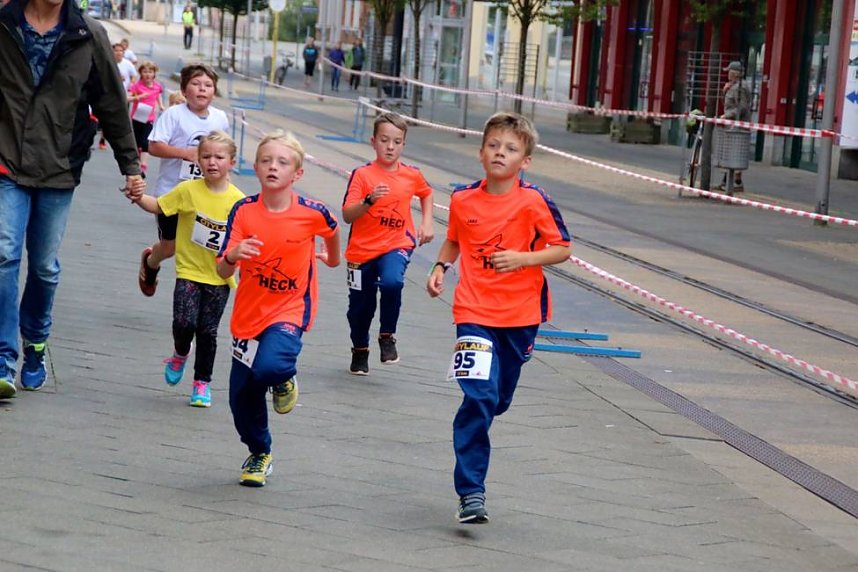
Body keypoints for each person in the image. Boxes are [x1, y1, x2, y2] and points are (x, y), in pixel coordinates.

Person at [426, 112, 571, 524]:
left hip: (521, 315)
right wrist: (440, 267)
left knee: (498, 400)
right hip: (472, 310)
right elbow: (455, 239)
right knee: (478, 398)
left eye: (510, 149)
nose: (499, 154)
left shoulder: (534, 201)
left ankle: (485, 415)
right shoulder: (462, 199)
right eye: (493, 146)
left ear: (525, 161)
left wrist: (522, 258)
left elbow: (562, 249)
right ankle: (471, 492)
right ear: (480, 152)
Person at [0, 0, 144, 399]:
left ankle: (36, 344)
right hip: (6, 161)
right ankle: (2, 356)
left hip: (59, 166)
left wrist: (130, 165)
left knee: (44, 266)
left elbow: (112, 104)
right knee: (5, 254)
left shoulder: (88, 34)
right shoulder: (5, 23)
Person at [216, 131, 341, 487]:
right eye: (267, 160)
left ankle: (284, 376)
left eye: (282, 162)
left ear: (297, 174)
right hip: (248, 316)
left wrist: (332, 260)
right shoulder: (242, 210)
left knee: (271, 365)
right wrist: (232, 257)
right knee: (241, 400)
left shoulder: (311, 213)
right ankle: (259, 452)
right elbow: (221, 269)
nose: (273, 167)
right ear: (255, 167)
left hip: (290, 309)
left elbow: (332, 231)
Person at [127, 131, 244, 407]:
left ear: (232, 161)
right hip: (189, 271)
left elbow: (249, 235)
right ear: (198, 160)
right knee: (184, 323)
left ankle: (202, 382)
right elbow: (158, 205)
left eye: (219, 157)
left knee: (208, 331)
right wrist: (137, 196)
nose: (212, 162)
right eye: (206, 156)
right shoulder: (188, 190)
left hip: (219, 276)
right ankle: (180, 352)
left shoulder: (239, 202)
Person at [341, 113, 434, 375]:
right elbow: (348, 215)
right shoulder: (362, 175)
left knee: (393, 281)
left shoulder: (412, 175)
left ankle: (387, 335)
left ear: (403, 145)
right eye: (384, 140)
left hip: (397, 243)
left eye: (396, 141)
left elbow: (426, 193)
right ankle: (360, 349)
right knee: (360, 308)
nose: (390, 147)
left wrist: (427, 223)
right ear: (373, 142)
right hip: (361, 251)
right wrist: (368, 201)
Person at [139, 63, 229, 298]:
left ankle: (193, 293)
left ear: (214, 91)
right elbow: (154, 146)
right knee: (170, 247)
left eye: (208, 85)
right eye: (196, 84)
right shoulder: (174, 115)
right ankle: (151, 262)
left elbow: (225, 152)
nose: (202, 89)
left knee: (199, 246)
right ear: (184, 89)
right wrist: (186, 153)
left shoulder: (220, 118)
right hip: (172, 192)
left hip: (205, 195)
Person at [718, 60, 751, 193]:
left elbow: (741, 107)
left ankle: (734, 182)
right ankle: (730, 182)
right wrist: (724, 91)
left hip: (738, 124)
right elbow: (726, 104)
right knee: (730, 152)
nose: (727, 74)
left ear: (734, 74)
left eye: (729, 72)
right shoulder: (732, 87)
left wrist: (728, 116)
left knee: (735, 152)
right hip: (732, 123)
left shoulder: (740, 88)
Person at [98, 41, 137, 150]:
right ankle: (103, 139)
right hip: (109, 95)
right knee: (107, 118)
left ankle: (122, 143)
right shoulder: (107, 63)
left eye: (121, 51)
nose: (118, 53)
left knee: (123, 118)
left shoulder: (127, 64)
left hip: (123, 95)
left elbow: (134, 76)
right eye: (116, 50)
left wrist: (131, 86)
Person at [128, 60, 165, 175]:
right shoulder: (136, 86)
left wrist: (161, 105)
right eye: (145, 71)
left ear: (154, 73)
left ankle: (143, 165)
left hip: (149, 118)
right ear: (141, 73)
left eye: (150, 72)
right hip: (137, 117)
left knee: (145, 142)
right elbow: (127, 98)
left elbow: (158, 95)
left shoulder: (157, 86)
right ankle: (138, 157)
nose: (148, 74)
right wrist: (138, 97)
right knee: (137, 142)